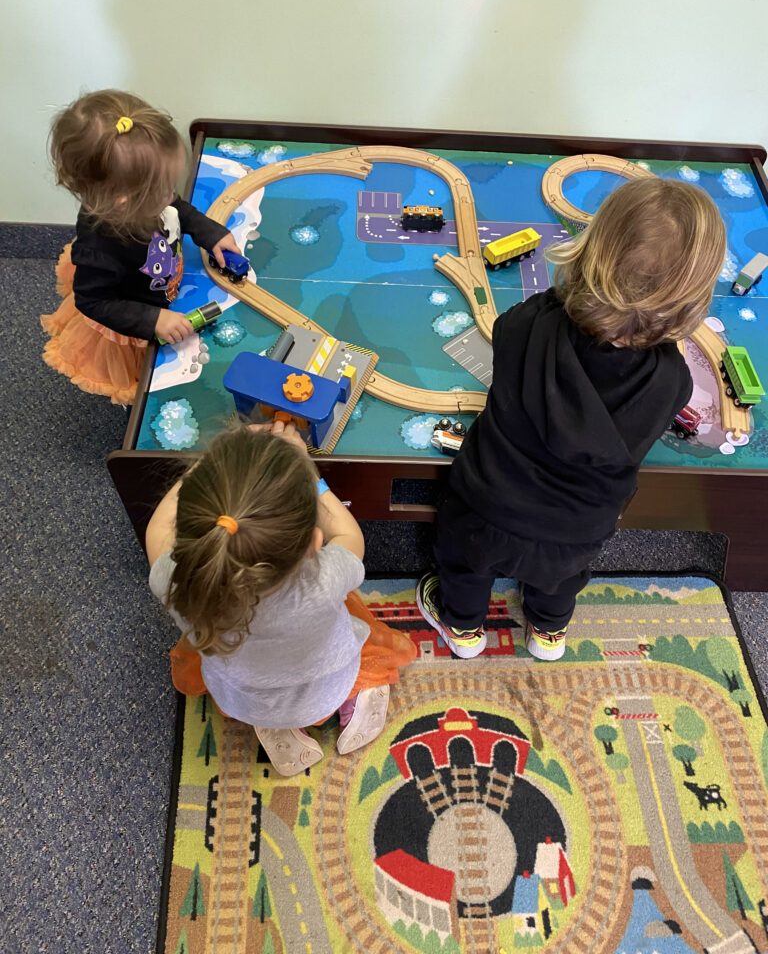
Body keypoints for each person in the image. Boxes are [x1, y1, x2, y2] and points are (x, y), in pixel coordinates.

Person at [417, 177, 726, 661]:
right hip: (579, 527)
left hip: (486, 504)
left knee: (465, 568)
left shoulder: (527, 324)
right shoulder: (672, 381)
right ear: (689, 300)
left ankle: (463, 631)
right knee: (560, 581)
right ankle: (547, 632)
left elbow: (511, 329)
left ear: (591, 253)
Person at [146, 420, 417, 776]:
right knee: (356, 618)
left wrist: (207, 468)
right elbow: (349, 533)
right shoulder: (325, 581)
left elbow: (156, 527)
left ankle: (276, 728)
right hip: (326, 688)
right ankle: (361, 696)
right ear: (314, 544)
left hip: (244, 700)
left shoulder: (175, 580)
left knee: (249, 682)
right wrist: (307, 469)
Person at [41, 89, 240, 405]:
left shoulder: (149, 196)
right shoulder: (99, 250)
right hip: (134, 313)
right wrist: (152, 320)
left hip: (164, 283)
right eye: (163, 188)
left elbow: (177, 209)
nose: (170, 194)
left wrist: (210, 232)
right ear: (124, 202)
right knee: (145, 379)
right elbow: (94, 301)